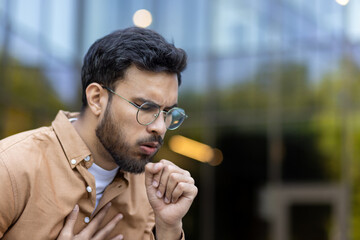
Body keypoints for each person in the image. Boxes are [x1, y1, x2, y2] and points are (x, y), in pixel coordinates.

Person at [0, 27, 197, 240]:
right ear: (96, 99)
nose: (160, 127)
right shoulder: (11, 168)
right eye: (146, 107)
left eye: (168, 113)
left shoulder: (149, 191)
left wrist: (169, 228)